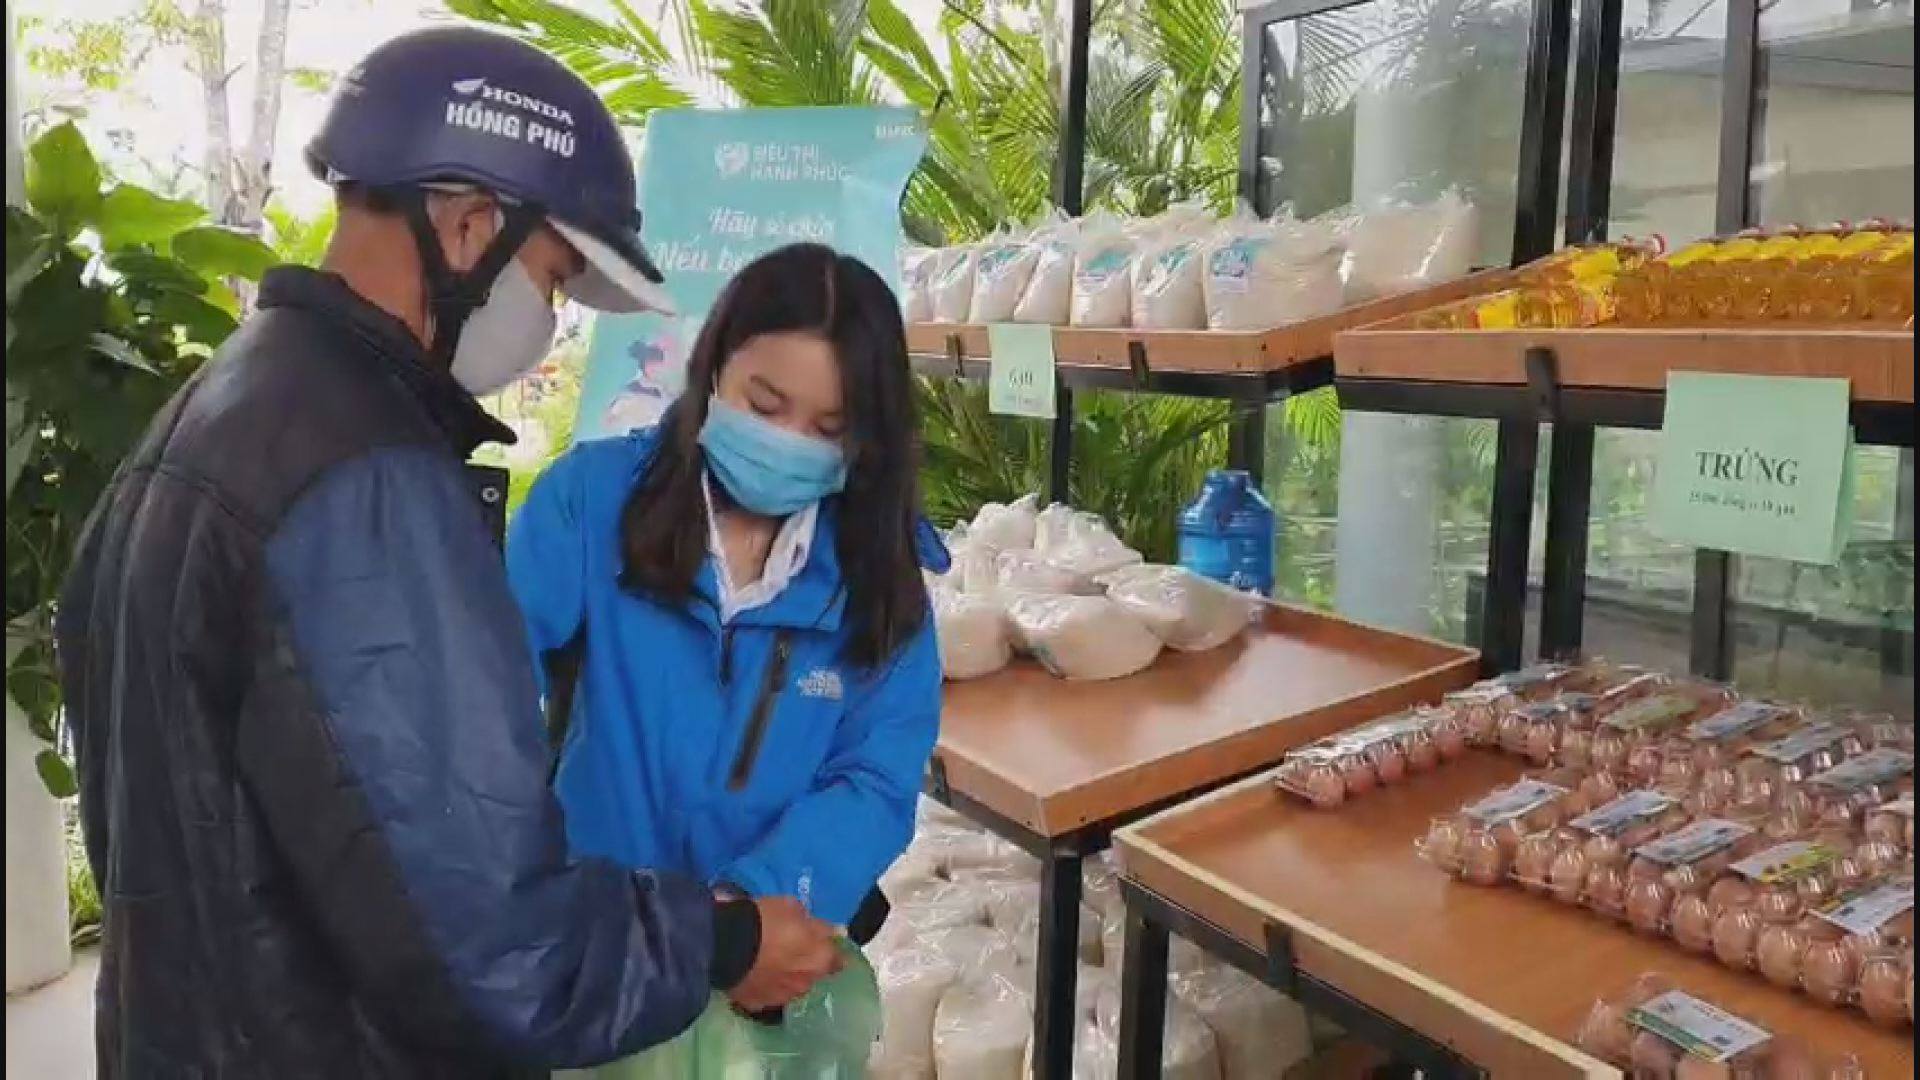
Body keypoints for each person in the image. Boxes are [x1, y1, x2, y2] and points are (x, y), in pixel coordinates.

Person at [54, 28, 837, 1080]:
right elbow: (493, 944)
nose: (551, 326)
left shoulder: (221, 409)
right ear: (469, 227)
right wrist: (724, 939)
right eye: (555, 282)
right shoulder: (365, 479)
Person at [505, 245, 944, 1048]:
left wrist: (749, 916)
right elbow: (479, 700)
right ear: (713, 370)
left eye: (827, 429)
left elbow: (876, 777)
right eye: (765, 403)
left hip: (770, 969)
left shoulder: (880, 580)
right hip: (600, 958)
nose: (788, 440)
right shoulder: (590, 504)